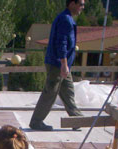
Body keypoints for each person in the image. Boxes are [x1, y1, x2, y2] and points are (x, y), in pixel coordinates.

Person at [29, 0, 85, 131]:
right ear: (72, 4)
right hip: (57, 64)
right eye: (80, 4)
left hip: (61, 63)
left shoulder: (67, 19)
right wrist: (64, 64)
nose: (82, 8)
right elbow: (62, 43)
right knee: (50, 92)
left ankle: (76, 119)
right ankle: (36, 121)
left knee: (68, 91)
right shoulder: (65, 20)